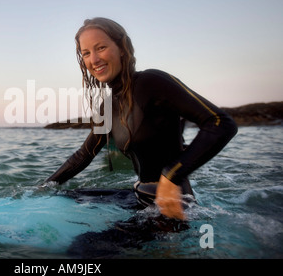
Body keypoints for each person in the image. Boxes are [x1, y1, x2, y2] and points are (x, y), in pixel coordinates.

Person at [44, 17, 238, 220]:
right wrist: (43, 187)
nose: (94, 60)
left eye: (100, 48)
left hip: (171, 207)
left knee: (84, 249)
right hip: (140, 197)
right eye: (86, 53)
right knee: (64, 197)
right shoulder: (109, 106)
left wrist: (171, 176)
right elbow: (85, 154)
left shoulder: (151, 82)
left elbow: (220, 123)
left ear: (121, 48)